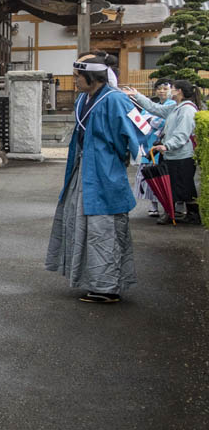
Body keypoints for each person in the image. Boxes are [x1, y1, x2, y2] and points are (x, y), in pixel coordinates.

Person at [47, 53, 141, 303]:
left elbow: (141, 131)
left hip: (105, 175)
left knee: (103, 229)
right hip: (82, 171)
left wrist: (136, 153)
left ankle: (107, 287)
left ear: (92, 77)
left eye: (77, 77)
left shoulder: (117, 99)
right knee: (81, 226)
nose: (74, 81)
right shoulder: (82, 99)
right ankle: (93, 281)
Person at [124, 78, 201, 225]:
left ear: (179, 91)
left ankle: (190, 215)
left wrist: (167, 146)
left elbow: (182, 134)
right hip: (174, 155)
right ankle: (178, 213)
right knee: (175, 185)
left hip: (181, 155)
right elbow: (155, 108)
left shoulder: (187, 110)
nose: (168, 90)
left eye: (171, 88)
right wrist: (136, 95)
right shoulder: (177, 107)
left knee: (183, 186)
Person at [135, 81, 175, 217]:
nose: (161, 91)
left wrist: (150, 119)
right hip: (148, 145)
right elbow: (141, 119)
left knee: (163, 177)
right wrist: (151, 119)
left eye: (165, 88)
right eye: (159, 89)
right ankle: (153, 206)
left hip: (163, 146)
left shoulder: (172, 105)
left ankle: (168, 207)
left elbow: (160, 122)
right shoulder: (152, 105)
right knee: (149, 177)